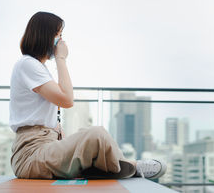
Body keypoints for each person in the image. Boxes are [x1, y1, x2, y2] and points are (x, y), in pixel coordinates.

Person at [9, 11, 166, 180]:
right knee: (97, 134)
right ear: (45, 36)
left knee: (93, 138)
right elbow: (67, 99)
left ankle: (100, 168)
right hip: (31, 156)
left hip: (46, 147)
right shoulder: (27, 64)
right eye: (58, 35)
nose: (61, 41)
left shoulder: (39, 68)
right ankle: (133, 167)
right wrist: (61, 59)